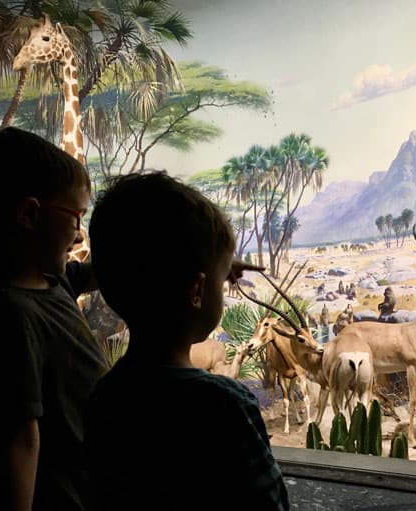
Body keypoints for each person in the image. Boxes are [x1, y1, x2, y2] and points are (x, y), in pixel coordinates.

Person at [84, 172, 290, 510]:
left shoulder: (103, 397)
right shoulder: (226, 404)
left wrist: (213, 269)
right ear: (197, 291)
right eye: (221, 282)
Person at [0, 127, 108, 510]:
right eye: (76, 216)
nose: (79, 234)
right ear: (29, 214)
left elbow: (108, 272)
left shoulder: (51, 280)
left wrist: (201, 264)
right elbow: (19, 441)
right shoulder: (12, 316)